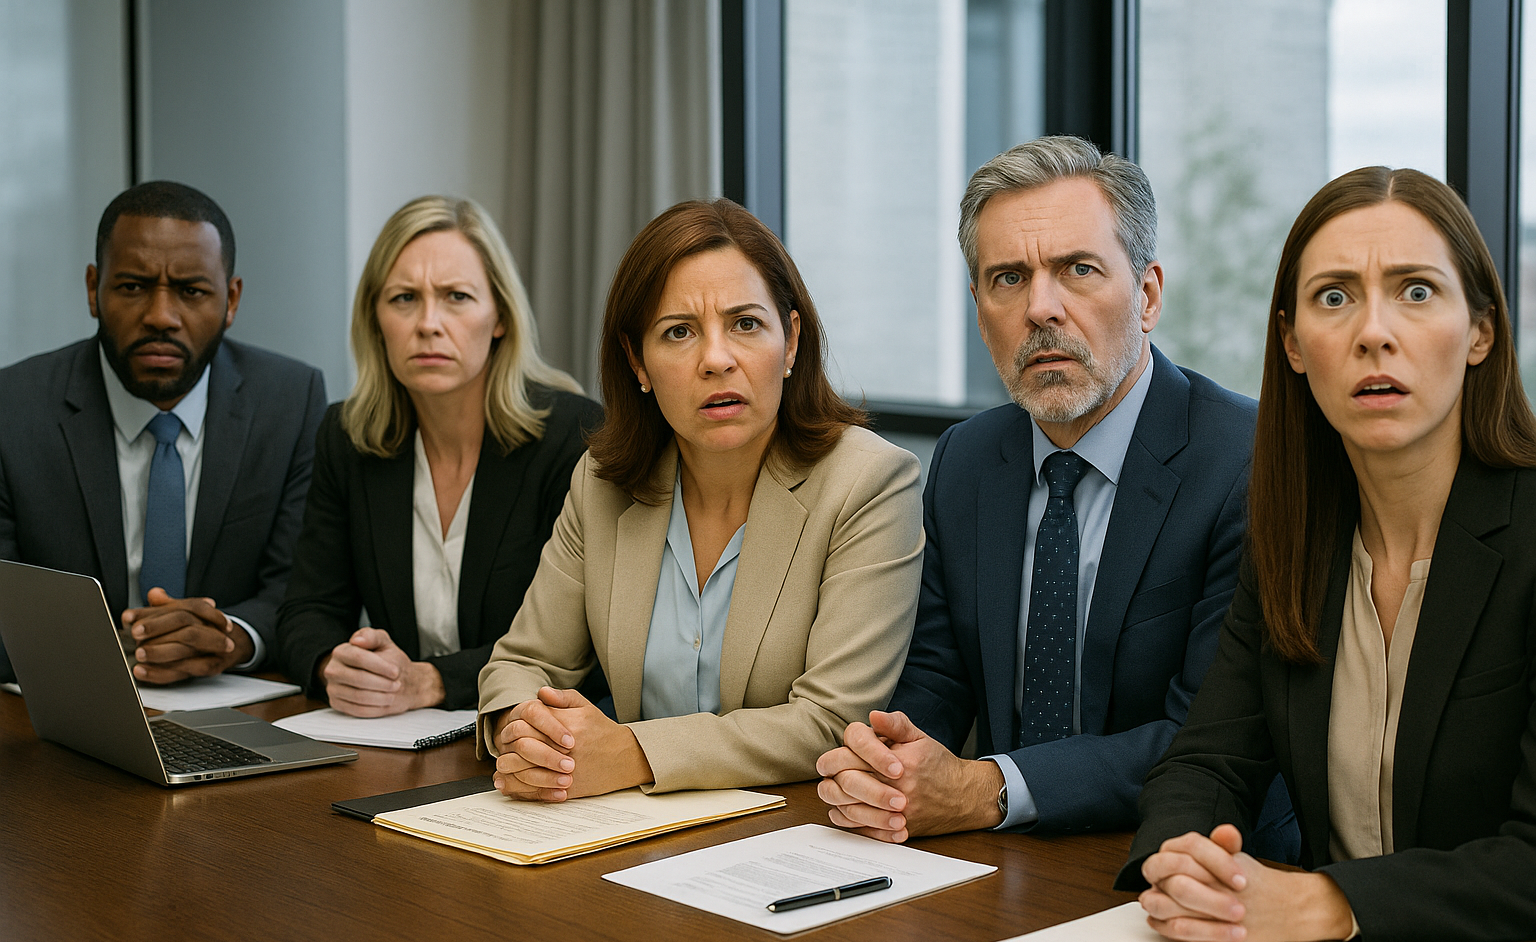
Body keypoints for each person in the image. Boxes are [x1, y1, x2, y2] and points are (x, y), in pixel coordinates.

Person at [815, 136, 1295, 853]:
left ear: (1149, 294)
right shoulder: (968, 459)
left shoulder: (1247, 462)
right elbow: (939, 676)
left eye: (1077, 269)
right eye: (1008, 278)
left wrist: (989, 787)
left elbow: (1206, 735)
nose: (1042, 308)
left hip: (1196, 861)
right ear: (980, 312)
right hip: (1000, 856)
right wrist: (889, 764)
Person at [1119, 166, 1536, 942]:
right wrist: (1181, 860)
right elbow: (1207, 760)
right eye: (1334, 297)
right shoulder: (1294, 535)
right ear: (1293, 344)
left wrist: (1325, 903)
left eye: (1416, 291)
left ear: (1480, 330)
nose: (1373, 331)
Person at [477, 198, 923, 798]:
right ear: (638, 361)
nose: (716, 359)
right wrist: (524, 736)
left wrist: (633, 753)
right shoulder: (603, 483)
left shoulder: (870, 482)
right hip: (625, 830)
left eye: (745, 324)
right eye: (679, 332)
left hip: (792, 832)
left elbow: (828, 721)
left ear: (790, 342)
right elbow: (519, 665)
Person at [276, 197, 601, 716]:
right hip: (392, 741)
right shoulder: (348, 436)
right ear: (376, 320)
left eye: (456, 297)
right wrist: (336, 666)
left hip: (527, 740)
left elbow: (586, 646)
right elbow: (307, 608)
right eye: (404, 298)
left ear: (499, 317)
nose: (428, 323)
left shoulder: (573, 438)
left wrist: (431, 681)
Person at [0, 181, 325, 684]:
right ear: (93, 288)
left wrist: (230, 637)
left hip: (230, 707)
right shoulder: (13, 408)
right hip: (59, 706)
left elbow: (301, 588)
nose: (160, 316)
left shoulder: (290, 401)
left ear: (231, 298)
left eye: (192, 291)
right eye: (132, 286)